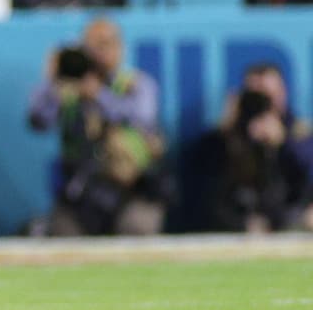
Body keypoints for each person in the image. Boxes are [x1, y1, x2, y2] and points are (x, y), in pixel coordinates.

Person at [27, 18, 166, 237]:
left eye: (105, 44)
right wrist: (53, 81)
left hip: (130, 188)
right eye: (90, 47)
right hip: (80, 193)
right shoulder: (68, 89)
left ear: (119, 48)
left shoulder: (136, 84)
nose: (98, 53)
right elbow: (38, 121)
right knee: (63, 237)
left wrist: (99, 95)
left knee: (138, 229)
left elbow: (143, 117)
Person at [193, 63, 313, 234]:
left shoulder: (299, 132)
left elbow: (306, 177)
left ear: (282, 93)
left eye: (267, 94)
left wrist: (283, 144)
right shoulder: (229, 135)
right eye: (254, 94)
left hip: (289, 214)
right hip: (240, 219)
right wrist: (227, 133)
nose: (261, 101)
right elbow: (204, 181)